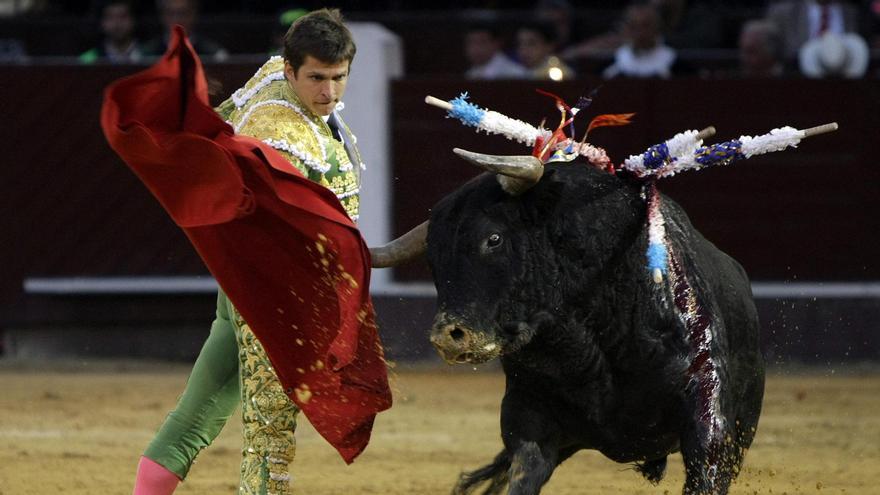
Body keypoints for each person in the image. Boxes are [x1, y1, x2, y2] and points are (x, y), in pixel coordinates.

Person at [130, 9, 376, 495]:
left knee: (200, 409)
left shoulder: (274, 76)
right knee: (270, 429)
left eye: (338, 78)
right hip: (276, 292)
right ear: (290, 70)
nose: (328, 93)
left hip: (248, 288)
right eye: (316, 79)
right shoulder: (277, 131)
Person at [602, 2, 680, 79]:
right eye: (633, 26)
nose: (640, 32)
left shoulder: (677, 63)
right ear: (625, 28)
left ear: (657, 27)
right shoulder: (611, 65)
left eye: (646, 26)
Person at [142, 0, 228, 61]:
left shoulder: (215, 55)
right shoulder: (143, 56)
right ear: (162, 15)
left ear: (193, 14)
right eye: (171, 13)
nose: (177, 19)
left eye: (183, 13)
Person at [463, 23, 528, 80]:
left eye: (482, 42)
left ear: (496, 44)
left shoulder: (514, 73)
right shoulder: (470, 74)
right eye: (471, 42)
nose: (476, 48)